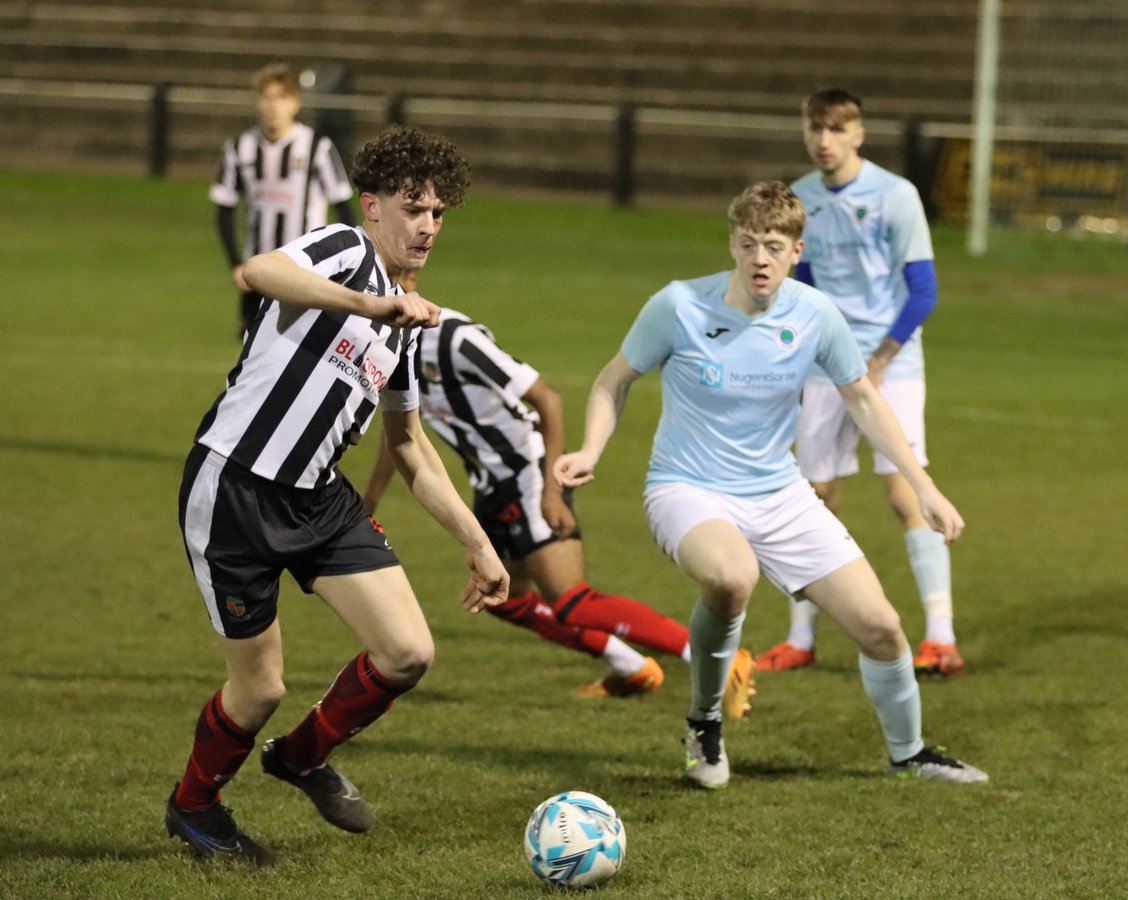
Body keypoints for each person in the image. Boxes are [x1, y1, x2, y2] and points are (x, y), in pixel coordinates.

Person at [555, 181, 987, 790]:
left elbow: (863, 399)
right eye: (750, 243)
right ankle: (704, 723)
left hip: (780, 494)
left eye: (775, 246)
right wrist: (590, 448)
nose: (761, 258)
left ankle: (908, 752)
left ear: (796, 251)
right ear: (732, 243)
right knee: (733, 578)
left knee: (883, 628)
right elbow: (612, 381)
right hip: (687, 487)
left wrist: (924, 487)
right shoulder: (678, 306)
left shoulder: (814, 314)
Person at [166, 126, 509, 865]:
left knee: (408, 651)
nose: (426, 226)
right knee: (257, 690)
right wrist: (367, 304)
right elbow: (258, 271)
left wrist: (478, 545)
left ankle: (300, 756)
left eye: (439, 213)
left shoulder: (408, 319)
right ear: (373, 204)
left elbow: (411, 447)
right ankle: (195, 807)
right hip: (236, 488)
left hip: (319, 499)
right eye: (413, 208)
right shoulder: (345, 251)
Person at [361, 307, 756, 710]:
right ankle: (631, 667)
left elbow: (548, 399)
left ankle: (718, 658)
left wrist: (551, 491)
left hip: (528, 474)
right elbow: (401, 432)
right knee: (505, 597)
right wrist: (371, 500)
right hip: (491, 485)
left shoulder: (453, 338)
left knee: (571, 599)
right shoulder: (387, 345)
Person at [756, 88, 964, 677]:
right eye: (815, 128)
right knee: (813, 498)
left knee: (905, 495)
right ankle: (801, 637)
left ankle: (941, 636)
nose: (824, 140)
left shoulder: (896, 196)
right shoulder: (801, 199)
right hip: (825, 365)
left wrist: (880, 358)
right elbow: (809, 289)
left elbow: (922, 290)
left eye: (837, 128)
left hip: (892, 364)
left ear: (859, 133)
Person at [210, 63, 357, 334]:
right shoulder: (239, 148)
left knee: (305, 352)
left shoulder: (317, 148)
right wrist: (236, 264)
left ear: (296, 103)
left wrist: (344, 265)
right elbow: (223, 210)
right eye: (267, 97)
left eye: (281, 98)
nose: (273, 106)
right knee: (251, 354)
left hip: (308, 269)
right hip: (258, 270)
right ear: (257, 102)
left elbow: (344, 210)